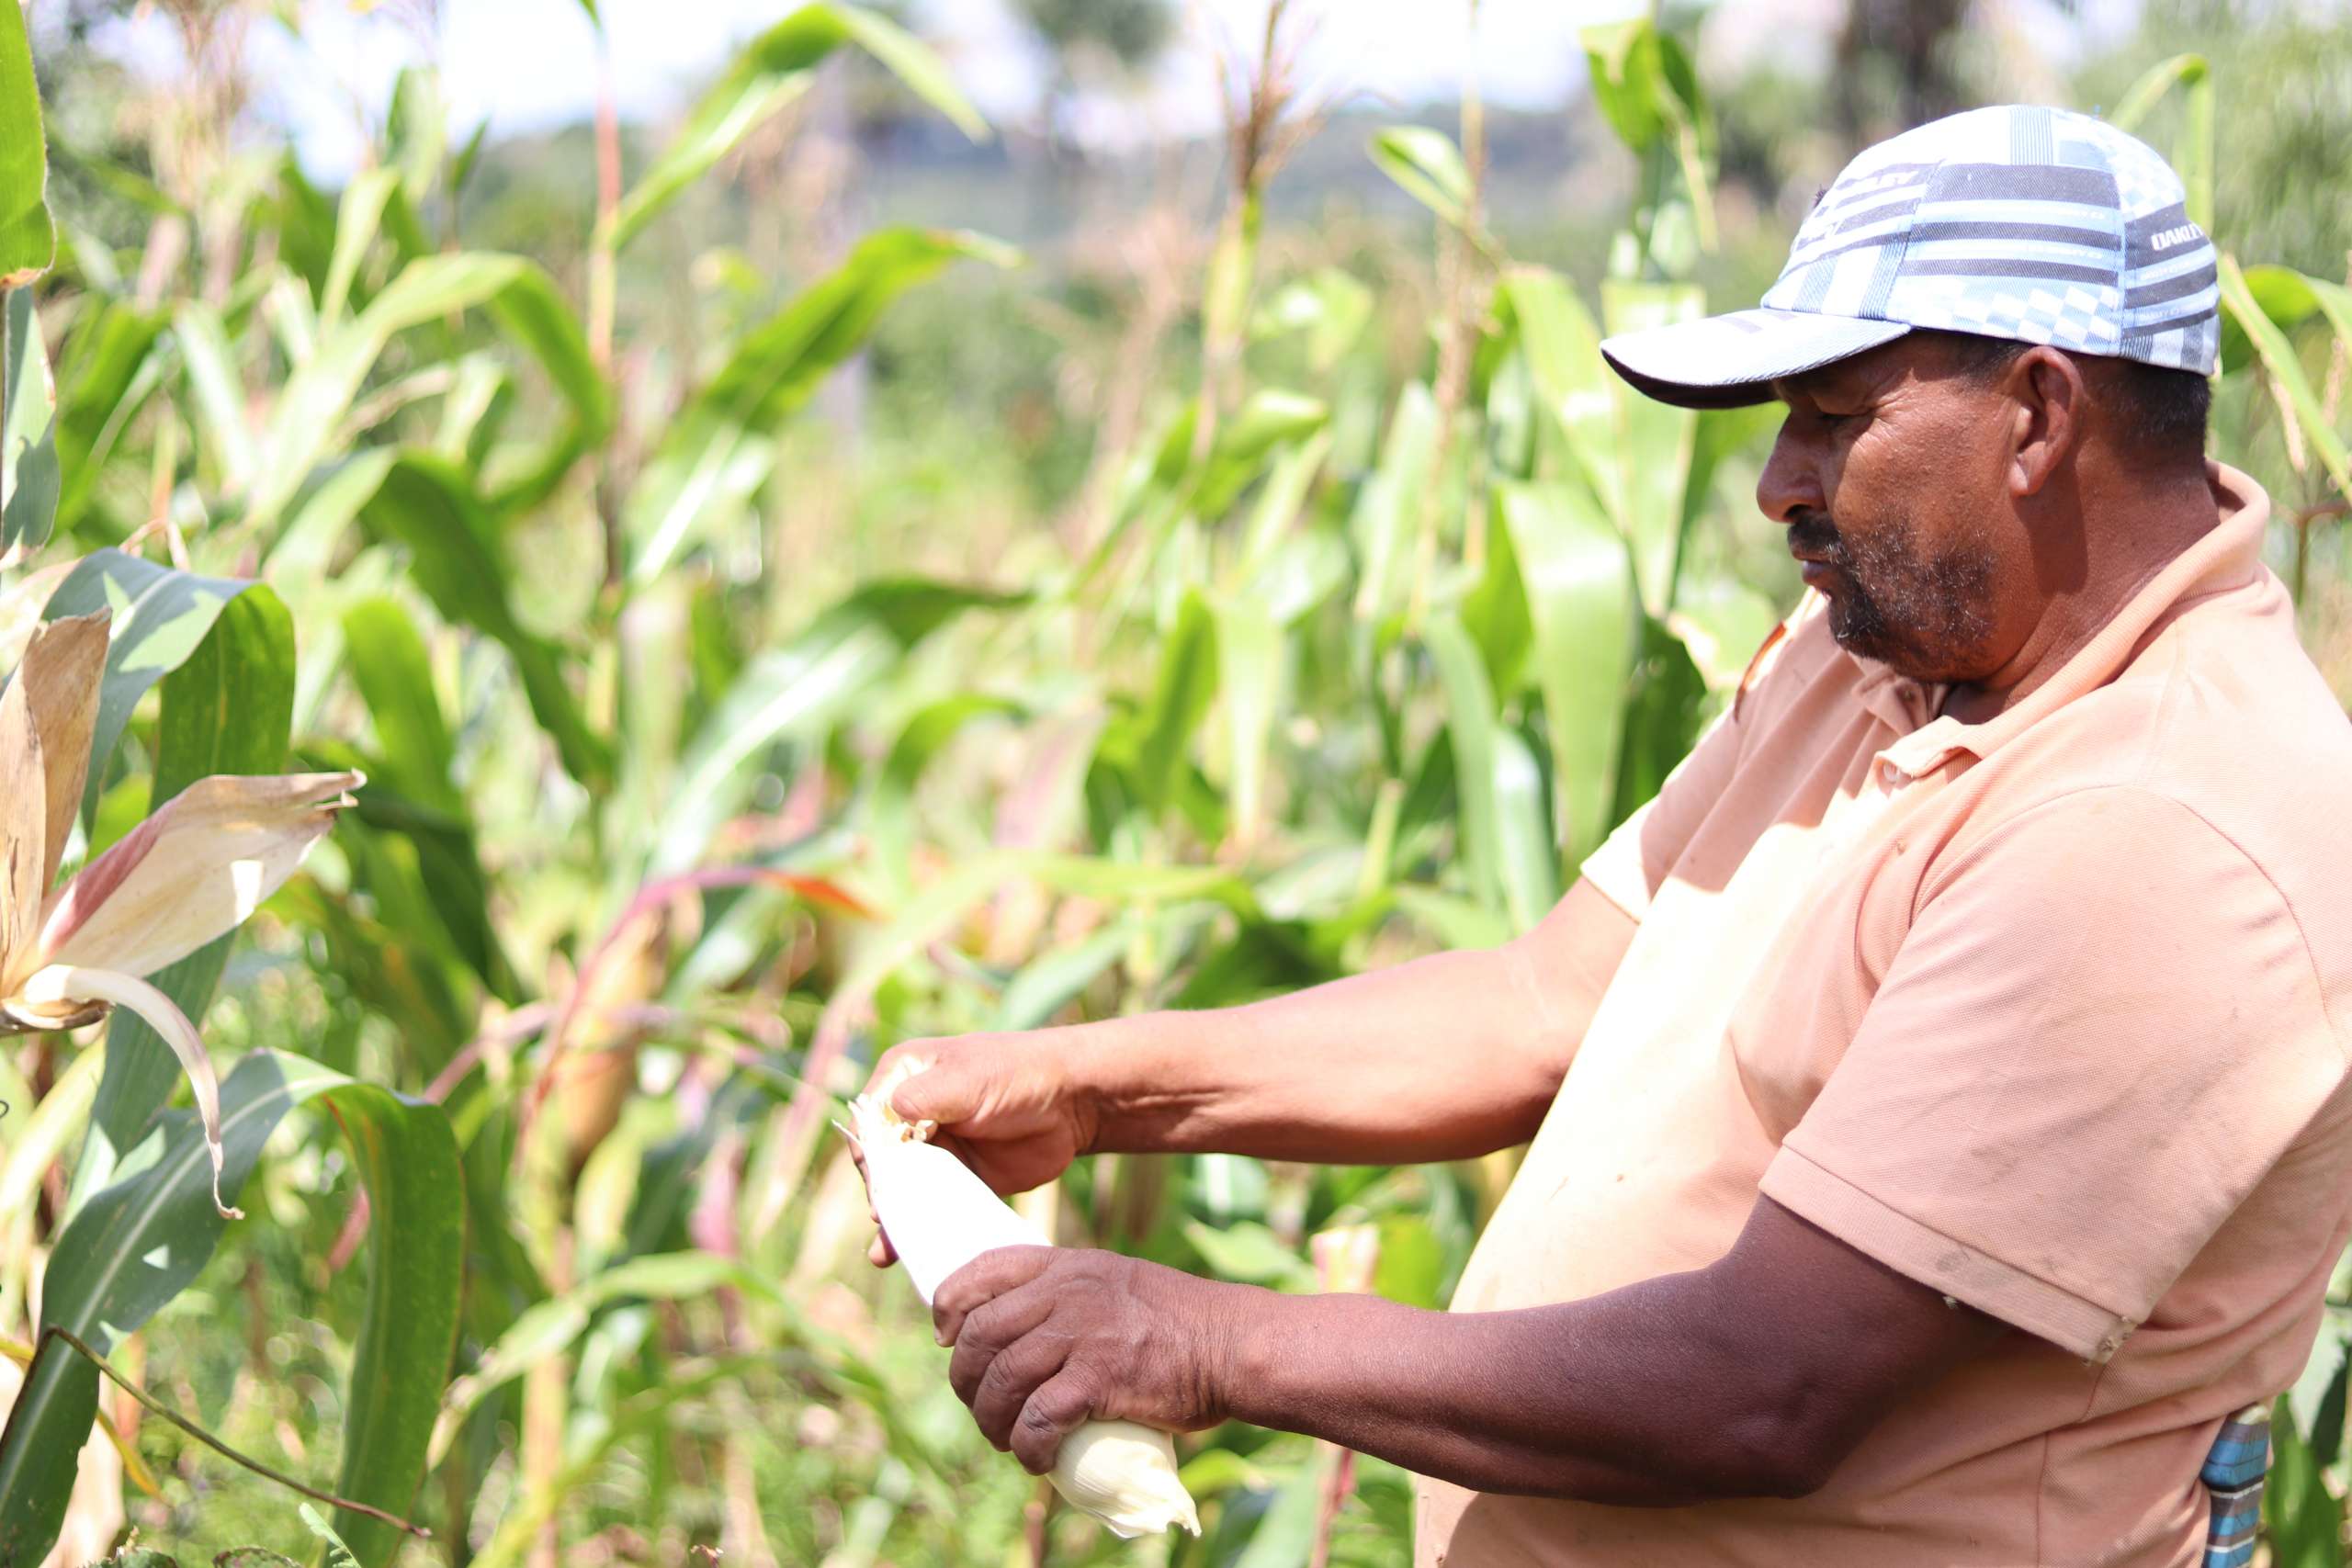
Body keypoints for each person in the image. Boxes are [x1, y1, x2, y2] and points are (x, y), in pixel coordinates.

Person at [857, 104, 2352, 1566]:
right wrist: (1088, 1088)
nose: (1778, 484)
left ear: (2035, 416)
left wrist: (1209, 1340)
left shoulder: (2159, 828)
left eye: (1836, 419)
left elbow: (1764, 1389)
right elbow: (1546, 1005)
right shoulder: (1893, 648)